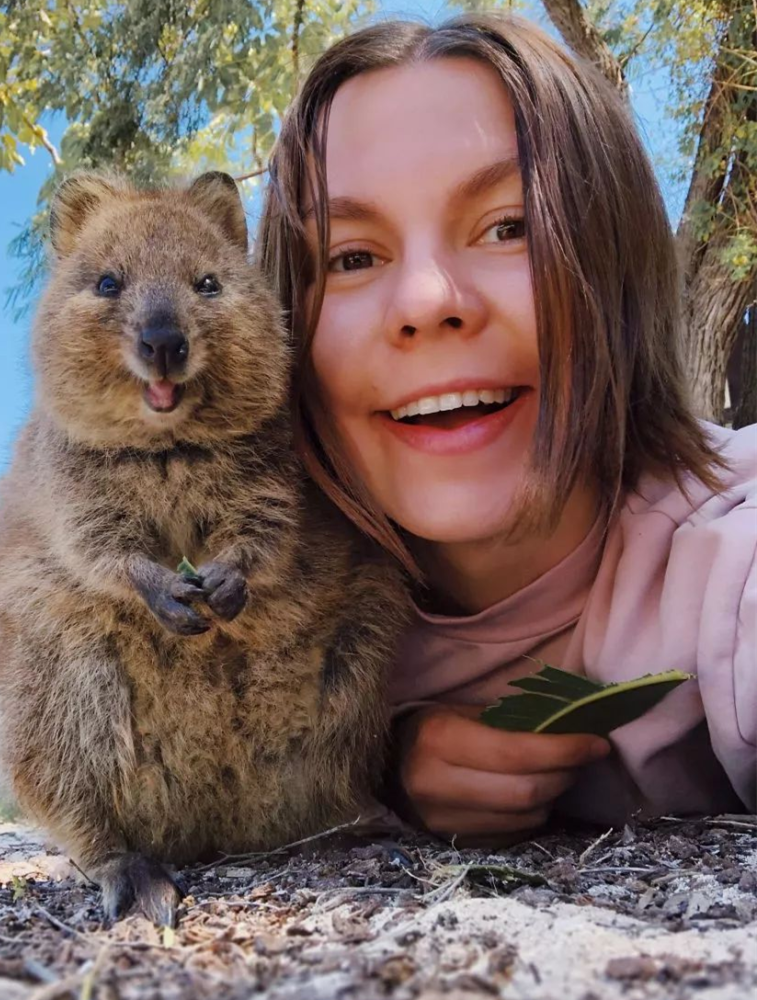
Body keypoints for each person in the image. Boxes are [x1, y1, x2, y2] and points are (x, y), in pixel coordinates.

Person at [257, 13, 756, 840]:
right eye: (350, 257)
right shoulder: (257, 608)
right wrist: (372, 760)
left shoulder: (725, 558)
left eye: (508, 226)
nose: (425, 301)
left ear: (617, 263)